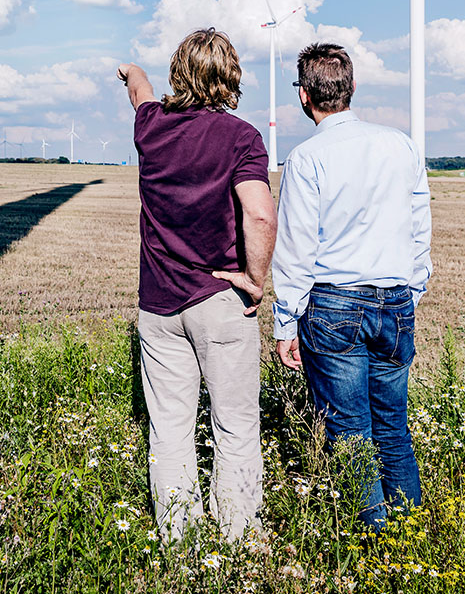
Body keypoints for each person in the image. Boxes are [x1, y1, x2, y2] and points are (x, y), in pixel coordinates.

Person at [117, 28, 277, 543]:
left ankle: (178, 541)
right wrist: (255, 280)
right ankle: (235, 539)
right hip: (220, 299)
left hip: (158, 304)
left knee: (169, 430)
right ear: (231, 76)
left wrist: (131, 72)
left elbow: (140, 92)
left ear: (177, 76)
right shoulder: (242, 137)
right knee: (234, 427)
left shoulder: (152, 127)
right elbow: (259, 212)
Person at [271, 42, 432, 530]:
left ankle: (372, 543)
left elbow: (297, 247)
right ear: (353, 87)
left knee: (351, 435)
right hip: (396, 300)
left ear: (304, 96)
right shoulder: (401, 145)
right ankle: (409, 541)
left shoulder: (306, 157)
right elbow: (418, 228)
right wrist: (411, 292)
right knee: (393, 429)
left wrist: (285, 322)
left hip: (335, 304)